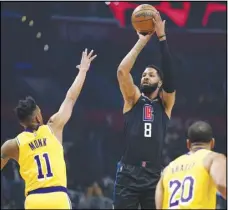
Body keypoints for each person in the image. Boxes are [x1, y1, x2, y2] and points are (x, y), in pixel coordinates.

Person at [1, 49, 97, 209]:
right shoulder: (53, 127)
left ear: (21, 123)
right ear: (38, 116)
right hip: (58, 196)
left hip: (34, 200)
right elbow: (71, 97)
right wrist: (83, 71)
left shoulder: (13, 145)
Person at [114, 11, 175, 209]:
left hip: (154, 176)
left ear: (160, 82)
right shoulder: (133, 99)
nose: (145, 77)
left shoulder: (165, 104)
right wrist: (142, 41)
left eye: (151, 75)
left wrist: (162, 38)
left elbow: (172, 78)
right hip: (128, 174)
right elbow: (122, 71)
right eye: (143, 75)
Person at [155, 121, 226, 209]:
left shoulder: (168, 168)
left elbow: (158, 206)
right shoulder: (214, 158)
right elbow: (222, 184)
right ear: (212, 142)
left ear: (188, 144)